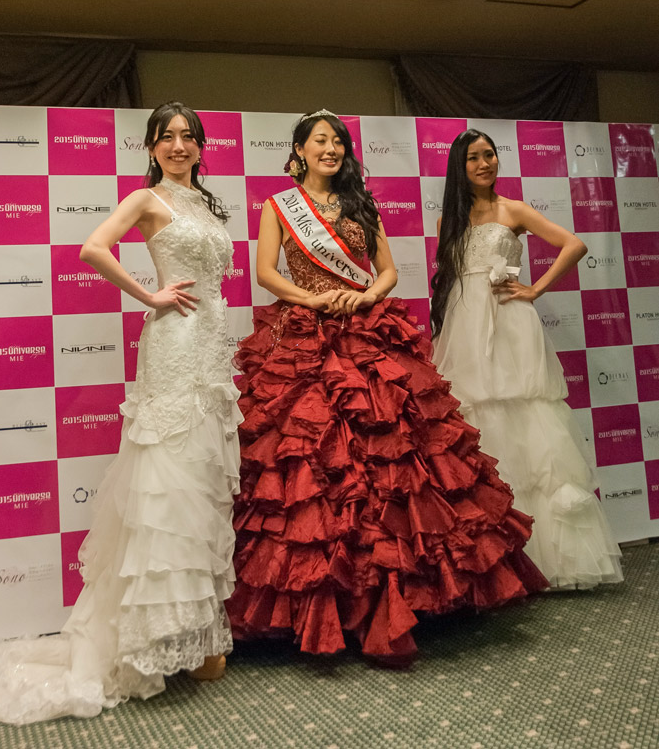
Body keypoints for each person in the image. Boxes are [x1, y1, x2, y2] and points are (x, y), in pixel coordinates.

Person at [0, 102, 242, 723]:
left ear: (201, 145)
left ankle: (192, 629)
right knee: (168, 478)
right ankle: (153, 636)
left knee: (201, 480)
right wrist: (149, 295)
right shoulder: (146, 199)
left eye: (188, 137)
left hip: (212, 347)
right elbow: (92, 248)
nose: (179, 146)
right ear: (151, 147)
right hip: (174, 344)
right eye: (166, 137)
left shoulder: (207, 203)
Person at [227, 109, 547, 664]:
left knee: (394, 455)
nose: (331, 149)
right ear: (299, 150)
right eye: (320, 141)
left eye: (338, 141)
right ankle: (320, 599)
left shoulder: (361, 203)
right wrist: (312, 298)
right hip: (305, 332)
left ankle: (409, 590)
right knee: (309, 463)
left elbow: (388, 271)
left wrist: (365, 295)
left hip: (366, 328)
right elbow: (266, 273)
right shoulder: (279, 206)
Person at [431, 128, 623, 589]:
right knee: (476, 417)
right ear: (459, 166)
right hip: (464, 329)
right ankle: (496, 567)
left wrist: (535, 289)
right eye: (474, 157)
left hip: (510, 323)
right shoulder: (448, 221)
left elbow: (574, 244)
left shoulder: (513, 209)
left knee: (527, 413)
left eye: (490, 155)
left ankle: (555, 560)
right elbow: (451, 279)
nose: (484, 163)